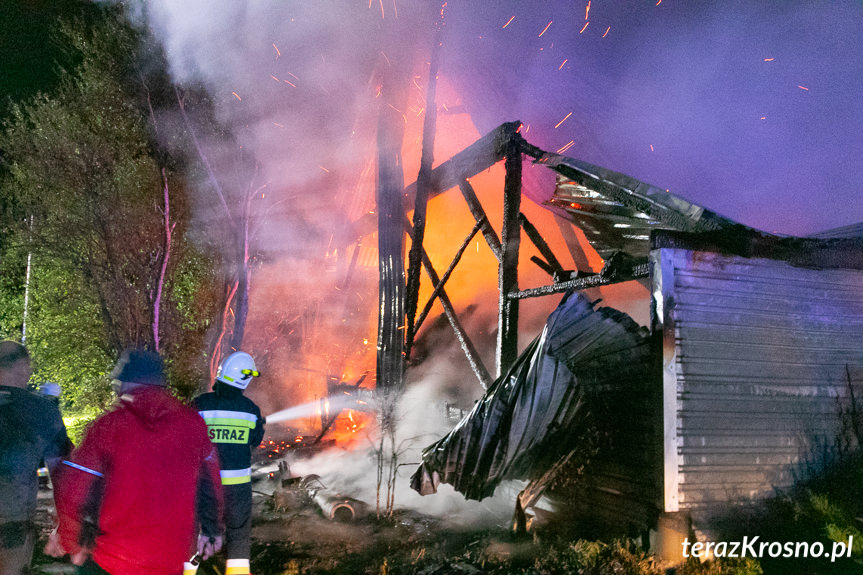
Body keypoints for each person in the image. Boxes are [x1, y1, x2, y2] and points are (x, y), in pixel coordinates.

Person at [49, 349, 223, 574]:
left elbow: (74, 488)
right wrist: (211, 531)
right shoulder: (194, 426)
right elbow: (211, 484)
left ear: (125, 383)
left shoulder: (108, 427)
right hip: (170, 560)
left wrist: (71, 541)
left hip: (112, 559)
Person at [0, 341, 72, 574]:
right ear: (23, 369)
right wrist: (65, 527)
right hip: (12, 526)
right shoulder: (42, 412)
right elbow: (63, 472)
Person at [191, 351, 264, 575]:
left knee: (192, 533)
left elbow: (187, 441)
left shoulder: (199, 405)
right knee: (239, 535)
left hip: (203, 486)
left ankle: (188, 570)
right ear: (245, 379)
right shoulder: (251, 410)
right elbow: (255, 441)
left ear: (221, 373)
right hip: (237, 488)